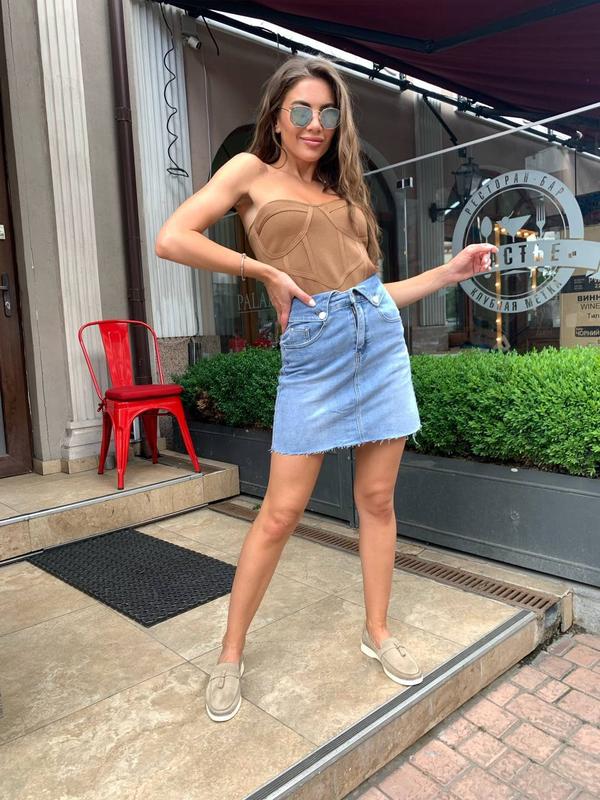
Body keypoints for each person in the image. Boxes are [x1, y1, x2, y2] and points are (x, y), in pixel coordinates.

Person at [155, 55, 496, 723]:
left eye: (328, 112)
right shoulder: (249, 172)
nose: (315, 123)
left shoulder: (346, 192)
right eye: (302, 110)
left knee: (377, 499)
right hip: (314, 353)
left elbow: (374, 294)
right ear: (277, 118)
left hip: (380, 344)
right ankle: (230, 654)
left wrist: (448, 273)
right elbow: (172, 238)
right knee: (280, 512)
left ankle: (377, 630)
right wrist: (263, 271)